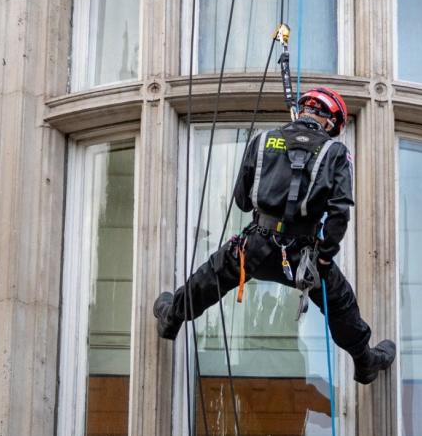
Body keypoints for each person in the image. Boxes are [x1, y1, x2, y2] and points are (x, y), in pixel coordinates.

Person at [153, 87, 396, 385]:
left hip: (256, 244)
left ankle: (173, 317)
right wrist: (323, 258)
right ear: (331, 123)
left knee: (213, 273)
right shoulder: (335, 152)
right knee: (340, 302)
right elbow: (339, 211)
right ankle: (364, 360)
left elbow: (242, 200)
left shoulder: (264, 140)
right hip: (303, 255)